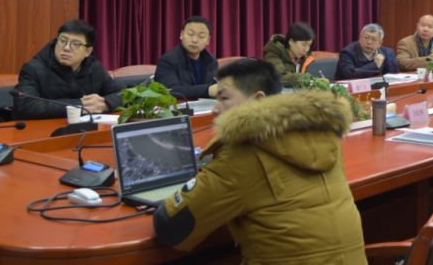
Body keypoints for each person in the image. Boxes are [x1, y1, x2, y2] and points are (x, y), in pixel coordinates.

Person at [154, 58, 367, 265]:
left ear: (257, 99)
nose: (215, 109)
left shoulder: (241, 153)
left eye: (224, 98)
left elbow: (171, 227)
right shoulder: (323, 133)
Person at [13, 19, 123, 119]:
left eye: (75, 44)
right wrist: (80, 106)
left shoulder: (94, 68)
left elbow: (123, 94)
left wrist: (105, 104)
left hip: (84, 128)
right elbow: (25, 105)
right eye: (62, 41)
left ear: (88, 52)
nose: (66, 48)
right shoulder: (33, 68)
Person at [155, 16, 219, 100]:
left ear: (208, 40)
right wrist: (207, 90)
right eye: (190, 34)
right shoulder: (168, 60)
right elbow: (170, 91)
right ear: (181, 35)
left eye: (201, 36)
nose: (195, 40)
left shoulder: (211, 60)